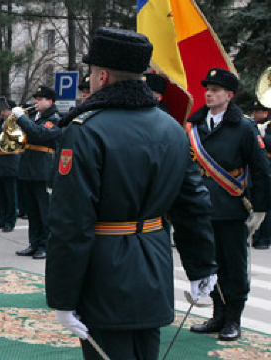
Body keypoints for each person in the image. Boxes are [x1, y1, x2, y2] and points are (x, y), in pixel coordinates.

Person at [46, 27, 218, 360]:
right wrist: (201, 265)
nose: (91, 80)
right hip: (153, 259)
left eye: (92, 73)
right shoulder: (171, 126)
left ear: (104, 76)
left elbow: (71, 224)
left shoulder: (86, 130)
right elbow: (193, 204)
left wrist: (63, 299)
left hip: (104, 270)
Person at [188, 67, 271, 341]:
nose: (208, 94)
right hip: (200, 208)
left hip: (231, 208)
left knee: (233, 266)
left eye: (215, 90)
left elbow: (262, 170)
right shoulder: (195, 125)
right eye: (207, 89)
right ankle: (217, 315)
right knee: (209, 264)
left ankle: (233, 319)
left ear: (229, 95)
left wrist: (260, 208)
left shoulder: (243, 127)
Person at [12, 86, 61, 259]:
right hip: (28, 167)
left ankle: (45, 245)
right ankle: (34, 243)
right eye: (36, 99)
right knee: (32, 210)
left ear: (50, 101)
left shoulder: (54, 119)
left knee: (43, 210)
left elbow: (39, 134)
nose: (36, 102)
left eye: (40, 99)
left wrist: (20, 118)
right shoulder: (34, 117)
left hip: (43, 169)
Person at [0, 98, 21, 233]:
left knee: (10, 195)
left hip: (10, 162)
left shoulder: (16, 123)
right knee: (1, 195)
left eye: (6, 110)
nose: (3, 112)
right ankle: (2, 219)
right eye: (2, 110)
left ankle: (10, 221)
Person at [250, 100, 271, 250]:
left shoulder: (268, 126)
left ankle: (264, 238)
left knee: (266, 206)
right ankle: (256, 236)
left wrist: (261, 137)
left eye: (259, 111)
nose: (255, 114)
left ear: (266, 113)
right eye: (254, 111)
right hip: (256, 169)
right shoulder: (253, 125)